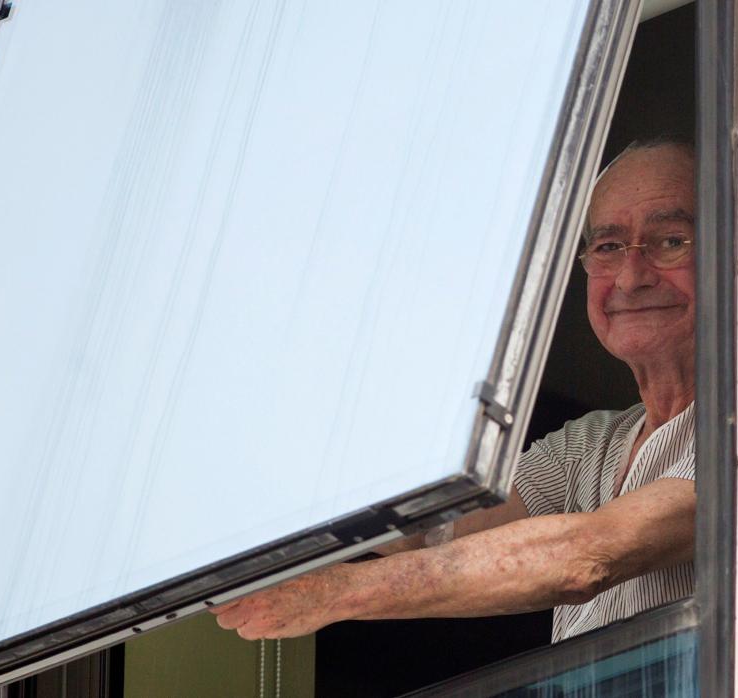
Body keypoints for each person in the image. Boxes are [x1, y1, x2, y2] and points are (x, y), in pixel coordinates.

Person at [212, 138, 698, 643]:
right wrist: (268, 461)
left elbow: (587, 556)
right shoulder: (589, 444)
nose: (631, 276)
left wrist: (335, 592)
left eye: (669, 241)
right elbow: (433, 532)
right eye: (608, 247)